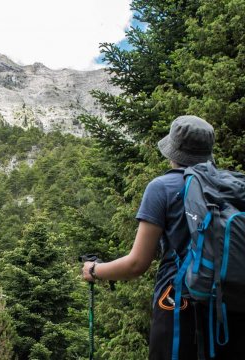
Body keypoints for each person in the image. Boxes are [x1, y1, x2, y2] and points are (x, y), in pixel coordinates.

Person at [81, 115, 245, 359]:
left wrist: (94, 270)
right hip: (230, 308)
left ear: (174, 152)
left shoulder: (162, 187)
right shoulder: (233, 186)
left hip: (178, 304)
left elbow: (137, 264)